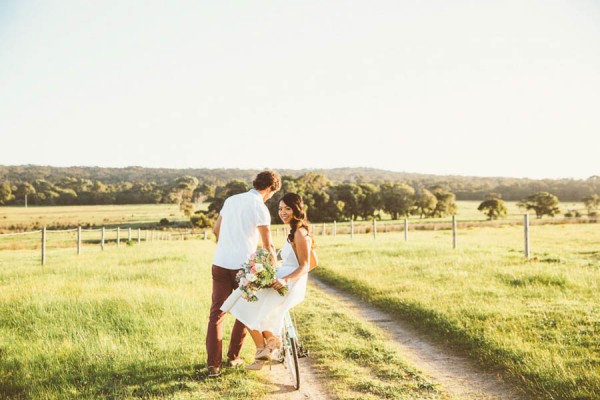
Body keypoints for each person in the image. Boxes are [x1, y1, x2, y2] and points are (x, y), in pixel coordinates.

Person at [220, 192, 313, 371]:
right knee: (245, 298)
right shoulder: (295, 231)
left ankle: (266, 347)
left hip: (287, 283)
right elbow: (311, 262)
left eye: (287, 208)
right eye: (280, 209)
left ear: (297, 209)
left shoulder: (300, 233)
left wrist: (285, 279)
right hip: (281, 278)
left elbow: (306, 265)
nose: (283, 212)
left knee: (244, 303)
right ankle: (267, 346)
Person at [205, 170, 281, 378]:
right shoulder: (260, 207)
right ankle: (233, 357)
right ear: (271, 189)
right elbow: (268, 244)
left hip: (220, 263)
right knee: (245, 311)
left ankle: (213, 366)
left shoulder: (231, 200)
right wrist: (273, 269)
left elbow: (215, 229)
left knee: (216, 315)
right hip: (244, 269)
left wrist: (229, 244)